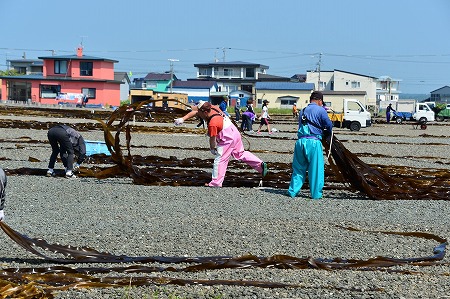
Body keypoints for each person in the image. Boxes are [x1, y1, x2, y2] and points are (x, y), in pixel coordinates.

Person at [174, 101, 268, 187]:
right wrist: (183, 119)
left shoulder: (213, 123)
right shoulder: (213, 107)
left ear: (205, 112)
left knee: (220, 160)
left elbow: (212, 138)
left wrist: (212, 148)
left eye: (200, 113)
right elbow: (195, 112)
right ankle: (260, 165)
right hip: (234, 132)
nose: (199, 115)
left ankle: (216, 183)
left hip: (227, 138)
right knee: (240, 154)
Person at [287, 91, 333, 199]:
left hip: (300, 142)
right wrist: (327, 133)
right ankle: (316, 194)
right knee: (316, 169)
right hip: (313, 142)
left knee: (298, 169)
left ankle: (292, 191)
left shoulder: (302, 111)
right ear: (320, 101)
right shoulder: (321, 110)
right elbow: (329, 125)